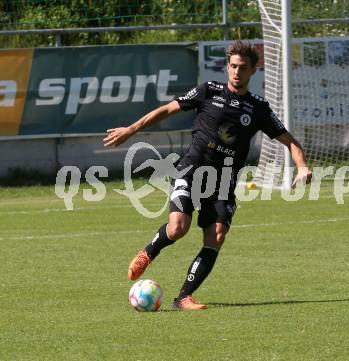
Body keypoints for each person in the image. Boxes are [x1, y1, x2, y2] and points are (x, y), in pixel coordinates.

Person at [103, 40, 312, 310]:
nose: (237, 72)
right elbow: (167, 109)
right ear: (227, 67)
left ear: (253, 70)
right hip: (192, 169)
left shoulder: (259, 108)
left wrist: (303, 165)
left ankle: (184, 298)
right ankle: (148, 252)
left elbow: (291, 142)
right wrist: (132, 129)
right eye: (233, 66)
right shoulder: (207, 91)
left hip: (224, 182)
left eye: (243, 68)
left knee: (216, 237)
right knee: (178, 227)